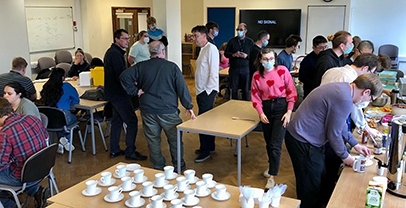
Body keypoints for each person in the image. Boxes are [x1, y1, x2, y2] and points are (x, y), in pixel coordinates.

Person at [285, 73, 381, 208]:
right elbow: (334, 133)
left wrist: (354, 144)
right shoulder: (344, 99)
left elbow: (339, 124)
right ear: (366, 92)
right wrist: (345, 156)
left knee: (318, 176)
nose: (368, 102)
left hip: (305, 138)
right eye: (370, 98)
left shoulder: (345, 89)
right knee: (310, 184)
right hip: (302, 139)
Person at [120, 41, 196, 170]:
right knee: (175, 140)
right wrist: (188, 106)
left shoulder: (140, 66)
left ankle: (158, 167)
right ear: (163, 52)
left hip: (148, 110)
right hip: (168, 110)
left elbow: (124, 76)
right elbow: (182, 88)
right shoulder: (172, 67)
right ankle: (178, 165)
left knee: (153, 140)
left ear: (150, 52)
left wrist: (135, 91)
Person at [320, 53, 380, 205]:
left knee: (324, 168)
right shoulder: (349, 83)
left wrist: (354, 143)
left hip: (322, 128)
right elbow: (347, 116)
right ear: (366, 68)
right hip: (320, 130)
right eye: (371, 72)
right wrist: (346, 156)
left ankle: (326, 195)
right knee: (328, 168)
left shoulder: (333, 70)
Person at [251, 48, 297, 189]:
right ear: (260, 60)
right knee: (269, 141)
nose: (269, 62)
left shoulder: (282, 71)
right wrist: (260, 112)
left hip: (281, 108)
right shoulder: (257, 76)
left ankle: (272, 176)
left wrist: (289, 111)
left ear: (275, 59)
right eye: (265, 59)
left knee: (276, 143)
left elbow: (291, 92)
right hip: (266, 109)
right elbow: (255, 96)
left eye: (271, 59)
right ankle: (271, 165)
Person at [104, 29, 147, 161]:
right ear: (117, 39)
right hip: (118, 94)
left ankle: (115, 150)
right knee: (132, 121)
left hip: (114, 93)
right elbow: (121, 76)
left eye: (128, 38)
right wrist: (134, 89)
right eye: (124, 38)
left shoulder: (114, 52)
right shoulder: (115, 54)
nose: (127, 41)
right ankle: (130, 151)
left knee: (117, 121)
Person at [0, 98, 49, 208]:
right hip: (43, 167)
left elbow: (1, 163)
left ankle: (10, 204)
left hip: (22, 177)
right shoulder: (32, 118)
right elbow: (46, 137)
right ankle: (36, 191)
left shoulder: (5, 133)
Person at [191, 25, 220, 163]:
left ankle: (205, 150)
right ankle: (209, 146)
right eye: (193, 36)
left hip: (207, 91)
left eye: (196, 36)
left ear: (204, 35)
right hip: (201, 90)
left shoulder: (211, 49)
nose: (194, 39)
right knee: (205, 119)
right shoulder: (202, 49)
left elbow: (213, 72)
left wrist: (207, 91)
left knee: (204, 121)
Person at [41, 68, 79, 153]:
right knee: (75, 119)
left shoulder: (46, 87)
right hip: (64, 115)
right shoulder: (66, 86)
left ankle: (62, 142)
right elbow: (76, 100)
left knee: (59, 124)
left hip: (49, 118)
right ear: (62, 77)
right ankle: (65, 140)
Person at [224, 23, 254, 101]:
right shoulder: (232, 41)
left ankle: (245, 104)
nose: (239, 31)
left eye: (241, 30)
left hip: (245, 69)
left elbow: (254, 56)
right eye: (238, 30)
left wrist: (246, 56)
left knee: (246, 89)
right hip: (234, 68)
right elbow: (226, 53)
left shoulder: (250, 42)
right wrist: (233, 55)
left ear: (245, 31)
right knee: (234, 88)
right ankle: (233, 104)